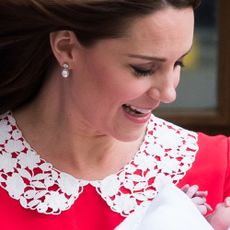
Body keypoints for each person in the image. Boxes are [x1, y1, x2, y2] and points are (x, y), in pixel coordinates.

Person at [0, 0, 229, 229]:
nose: (169, 93)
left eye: (179, 63)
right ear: (66, 48)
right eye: (143, 69)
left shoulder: (221, 166)